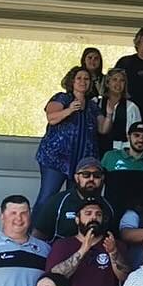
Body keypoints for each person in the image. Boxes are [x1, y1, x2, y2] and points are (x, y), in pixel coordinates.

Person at [36, 65, 104, 219]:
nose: (83, 81)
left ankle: (69, 231)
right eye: (79, 78)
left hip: (81, 161)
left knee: (76, 201)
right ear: (72, 81)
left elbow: (103, 129)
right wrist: (70, 110)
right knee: (47, 196)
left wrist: (111, 110)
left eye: (87, 79)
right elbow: (51, 118)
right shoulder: (62, 98)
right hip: (56, 158)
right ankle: (35, 231)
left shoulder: (92, 106)